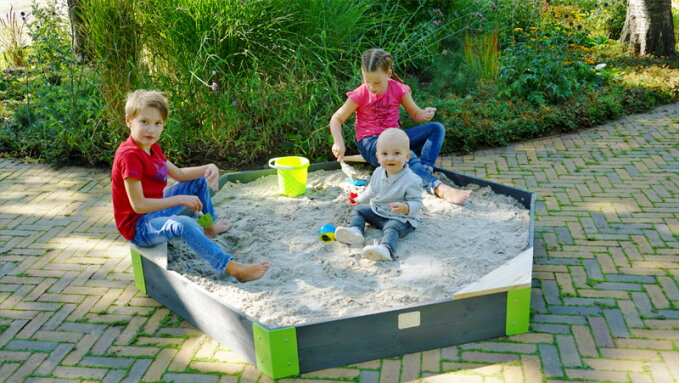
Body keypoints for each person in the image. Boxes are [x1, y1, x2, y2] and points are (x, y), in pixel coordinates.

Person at [111, 90, 270, 282]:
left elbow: (178, 174)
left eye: (157, 123)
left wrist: (209, 167)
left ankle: (209, 227)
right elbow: (139, 206)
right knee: (183, 224)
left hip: (154, 211)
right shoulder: (130, 156)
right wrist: (179, 199)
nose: (151, 130)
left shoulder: (151, 147)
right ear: (129, 121)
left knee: (199, 181)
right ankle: (231, 267)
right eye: (144, 122)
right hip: (140, 227)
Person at [329, 48, 471, 204]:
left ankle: (424, 170)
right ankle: (437, 187)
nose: (371, 87)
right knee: (401, 152)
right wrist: (338, 141)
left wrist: (424, 114)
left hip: (395, 137)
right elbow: (337, 118)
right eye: (367, 81)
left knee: (436, 128)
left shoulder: (398, 89)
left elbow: (416, 114)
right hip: (370, 142)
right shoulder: (360, 94)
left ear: (389, 73)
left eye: (377, 82)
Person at [335, 128, 422, 261]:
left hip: (400, 219)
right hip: (378, 212)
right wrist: (360, 199)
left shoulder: (411, 180)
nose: (390, 158)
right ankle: (355, 231)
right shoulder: (378, 172)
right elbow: (372, 189)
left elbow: (417, 202)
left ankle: (386, 249)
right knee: (359, 210)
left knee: (392, 228)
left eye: (397, 153)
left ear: (407, 156)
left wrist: (405, 207)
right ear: (378, 157)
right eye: (385, 154)